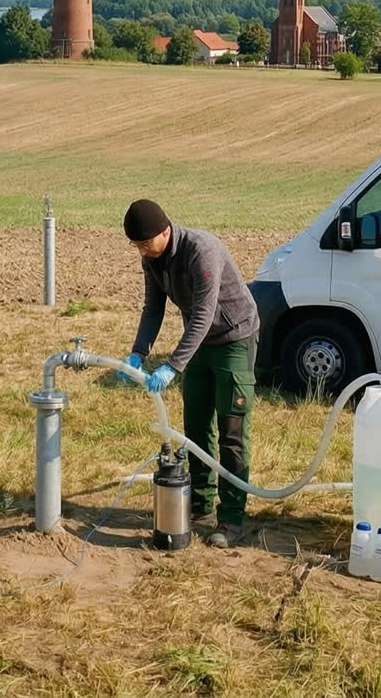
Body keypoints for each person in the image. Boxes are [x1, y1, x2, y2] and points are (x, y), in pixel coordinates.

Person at [122, 199, 261, 548]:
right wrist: (139, 353)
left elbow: (203, 312)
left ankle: (231, 518)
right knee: (196, 427)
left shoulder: (202, 250)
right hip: (199, 343)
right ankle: (199, 505)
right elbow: (153, 308)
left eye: (144, 243)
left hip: (234, 338)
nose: (141, 251)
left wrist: (172, 365)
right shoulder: (152, 260)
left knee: (232, 430)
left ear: (165, 231)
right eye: (136, 246)